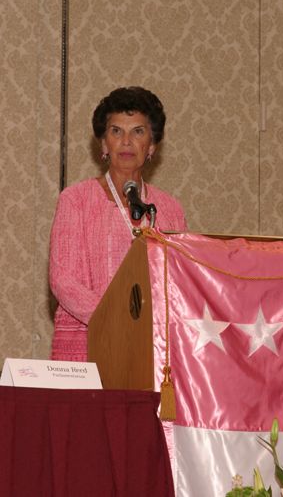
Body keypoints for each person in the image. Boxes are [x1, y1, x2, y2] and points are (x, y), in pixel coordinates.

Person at [49, 86, 187, 361]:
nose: (126, 141)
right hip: (87, 347)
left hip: (152, 350)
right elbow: (64, 281)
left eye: (138, 131)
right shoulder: (75, 200)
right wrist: (119, 319)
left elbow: (180, 283)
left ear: (152, 145)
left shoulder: (169, 209)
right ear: (103, 144)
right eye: (115, 131)